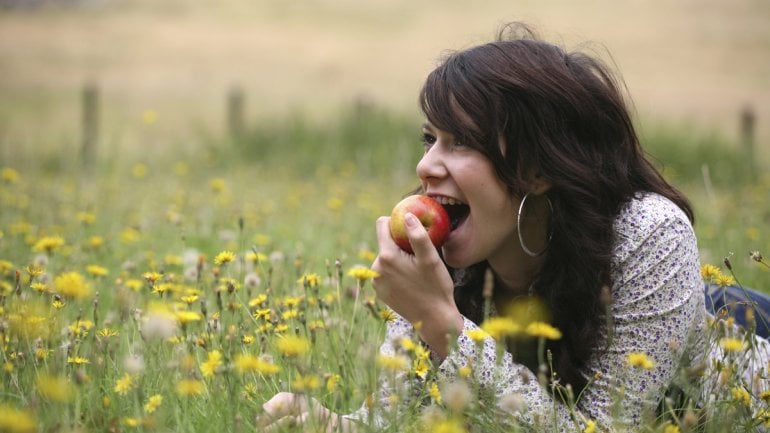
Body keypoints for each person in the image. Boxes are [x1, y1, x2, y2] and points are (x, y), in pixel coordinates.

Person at [260, 22, 770, 432]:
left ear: (539, 169)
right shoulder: (440, 259)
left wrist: (444, 326)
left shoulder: (648, 235)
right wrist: (334, 425)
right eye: (430, 139)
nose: (427, 167)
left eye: (460, 142)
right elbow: (402, 418)